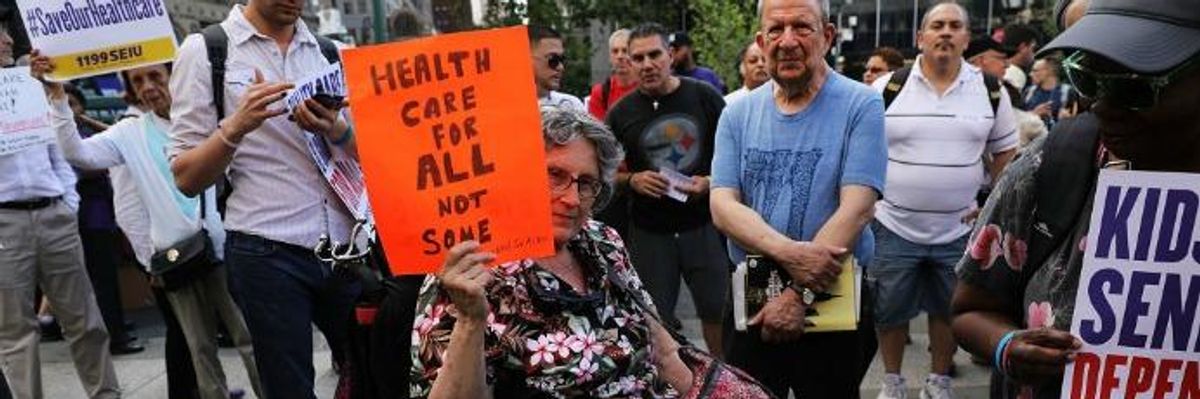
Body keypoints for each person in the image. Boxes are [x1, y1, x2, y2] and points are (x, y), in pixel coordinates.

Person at [952, 0, 1200, 398]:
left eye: (1133, 88)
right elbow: (969, 310)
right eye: (1088, 79)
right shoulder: (1053, 161)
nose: (1100, 105)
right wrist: (1007, 346)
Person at [409, 107, 695, 398]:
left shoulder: (603, 240)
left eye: (586, 183)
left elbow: (665, 352)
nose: (572, 199)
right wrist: (470, 322)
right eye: (554, 175)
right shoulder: (469, 271)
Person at [35, 55, 263, 399]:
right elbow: (76, 154)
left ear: (176, 77)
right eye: (138, 82)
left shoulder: (208, 119)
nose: (148, 88)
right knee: (199, 348)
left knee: (251, 339)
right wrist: (57, 98)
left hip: (226, 249)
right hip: (176, 257)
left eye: (155, 76)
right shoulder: (130, 132)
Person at [168, 0, 362, 397]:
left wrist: (337, 130)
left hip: (346, 250)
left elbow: (372, 153)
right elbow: (186, 176)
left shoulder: (331, 53)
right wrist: (235, 127)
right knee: (288, 388)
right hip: (266, 251)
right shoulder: (207, 50)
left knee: (373, 375)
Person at [710, 0, 886, 396]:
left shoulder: (862, 104)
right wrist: (789, 254)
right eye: (776, 29)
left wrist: (798, 295)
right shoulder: (736, 113)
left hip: (834, 290)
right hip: (751, 292)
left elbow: (857, 209)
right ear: (761, 40)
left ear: (827, 36)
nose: (787, 41)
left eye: (802, 27)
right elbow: (722, 206)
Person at [868, 3, 1019, 398]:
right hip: (892, 224)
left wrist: (991, 206)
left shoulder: (990, 90)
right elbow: (862, 148)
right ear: (921, 37)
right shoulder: (887, 88)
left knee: (948, 309)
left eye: (955, 26)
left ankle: (938, 381)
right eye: (937, 25)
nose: (946, 33)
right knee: (890, 310)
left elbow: (1005, 153)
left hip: (960, 229)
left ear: (967, 39)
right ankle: (892, 381)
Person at [0, 24, 121, 399]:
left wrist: (68, 204)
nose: (7, 40)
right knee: (16, 332)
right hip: (5, 223)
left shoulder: (27, 87)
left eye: (7, 33)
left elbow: (57, 150)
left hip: (55, 213)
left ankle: (105, 394)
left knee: (85, 319)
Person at [606, 23, 728, 358]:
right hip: (650, 233)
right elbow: (601, 175)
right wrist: (632, 180)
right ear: (628, 63)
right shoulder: (620, 113)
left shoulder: (704, 96)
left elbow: (738, 156)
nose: (646, 64)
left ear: (670, 55)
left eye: (654, 54)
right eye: (638, 57)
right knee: (655, 320)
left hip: (703, 226)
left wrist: (710, 182)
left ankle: (723, 383)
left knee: (717, 311)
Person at [60, 83, 145, 356]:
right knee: (99, 279)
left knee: (106, 276)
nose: (70, 110)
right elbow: (83, 165)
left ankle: (116, 325)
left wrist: (83, 119)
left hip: (100, 215)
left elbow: (119, 140)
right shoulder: (62, 139)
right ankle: (114, 334)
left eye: (74, 104)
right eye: (65, 105)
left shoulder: (86, 130)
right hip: (85, 217)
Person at [530, 25, 584, 111]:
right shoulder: (502, 107)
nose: (560, 67)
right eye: (553, 59)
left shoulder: (572, 106)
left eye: (562, 60)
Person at [588, 29, 638, 120]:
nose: (620, 56)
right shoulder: (600, 93)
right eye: (615, 51)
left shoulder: (647, 88)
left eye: (625, 51)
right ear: (610, 57)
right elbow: (598, 132)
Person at [1023, 57, 1070, 128]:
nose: (1030, 74)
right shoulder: (1029, 91)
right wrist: (1034, 113)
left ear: (1049, 71)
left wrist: (1067, 120)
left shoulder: (1067, 92)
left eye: (1035, 70)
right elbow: (1017, 117)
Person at [1001, 24, 1039, 90]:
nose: (1034, 54)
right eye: (1033, 48)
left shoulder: (992, 69)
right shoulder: (1015, 74)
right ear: (1022, 47)